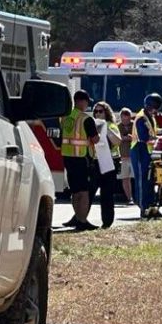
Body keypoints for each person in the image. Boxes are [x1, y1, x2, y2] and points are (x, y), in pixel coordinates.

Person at [60, 89, 99, 231]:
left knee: (75, 191)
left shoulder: (65, 117)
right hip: (82, 158)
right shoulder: (85, 119)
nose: (87, 105)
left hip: (67, 157)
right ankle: (82, 220)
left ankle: (77, 217)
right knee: (84, 192)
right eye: (87, 102)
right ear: (82, 102)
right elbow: (95, 139)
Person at [130, 93, 162, 219]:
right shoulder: (141, 118)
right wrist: (160, 139)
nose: (155, 111)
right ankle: (143, 208)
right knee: (142, 180)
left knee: (150, 180)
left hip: (147, 152)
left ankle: (151, 207)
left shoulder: (149, 117)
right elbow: (145, 137)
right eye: (154, 108)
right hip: (139, 150)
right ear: (149, 106)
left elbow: (153, 132)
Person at [88, 101, 121, 229]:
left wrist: (106, 129)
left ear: (106, 113)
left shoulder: (111, 125)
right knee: (89, 191)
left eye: (100, 111)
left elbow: (117, 141)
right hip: (96, 162)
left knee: (106, 193)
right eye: (95, 111)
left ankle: (107, 222)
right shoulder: (92, 125)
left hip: (110, 162)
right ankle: (80, 218)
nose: (97, 114)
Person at [117, 108, 134, 204]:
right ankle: (129, 198)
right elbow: (117, 138)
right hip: (123, 157)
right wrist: (124, 138)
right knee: (125, 178)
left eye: (127, 119)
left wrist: (131, 138)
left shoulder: (135, 125)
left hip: (134, 156)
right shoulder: (117, 127)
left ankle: (138, 197)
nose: (125, 121)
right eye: (123, 119)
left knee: (137, 178)